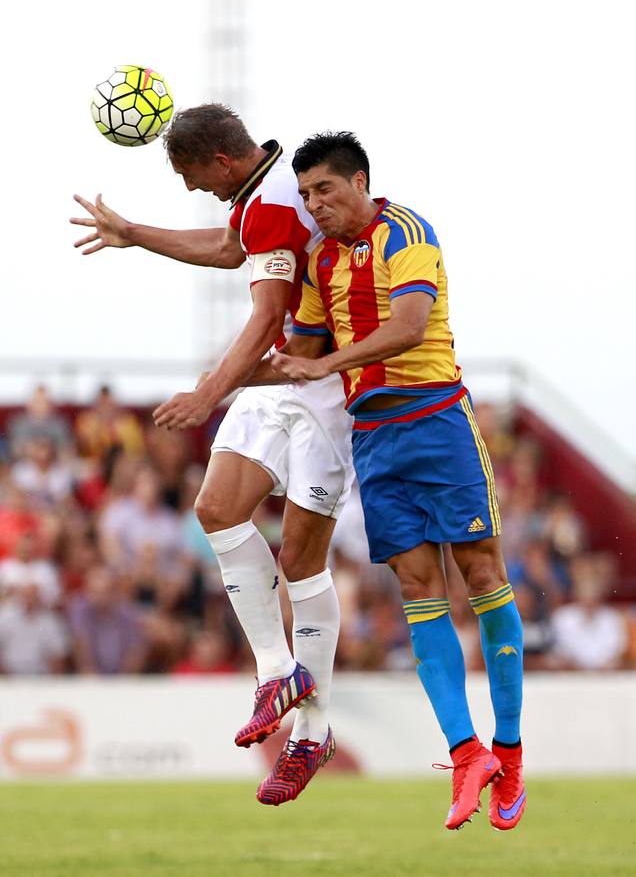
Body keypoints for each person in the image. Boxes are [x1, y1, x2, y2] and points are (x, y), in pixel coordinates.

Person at [70, 104, 354, 804]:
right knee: (217, 507)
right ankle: (275, 674)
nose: (193, 189)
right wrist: (134, 233)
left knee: (301, 559)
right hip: (278, 372)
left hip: (323, 383)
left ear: (220, 161)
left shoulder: (280, 201)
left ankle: (312, 735)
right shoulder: (260, 193)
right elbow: (231, 249)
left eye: (192, 175)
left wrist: (208, 394)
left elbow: (263, 313)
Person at [262, 131, 526, 831]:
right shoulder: (319, 261)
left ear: (360, 182)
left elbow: (409, 326)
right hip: (374, 440)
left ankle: (510, 749)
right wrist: (225, 377)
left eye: (325, 189)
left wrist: (324, 363)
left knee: (481, 572)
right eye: (308, 193)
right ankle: (466, 753)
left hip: (437, 420)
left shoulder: (407, 231)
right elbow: (304, 351)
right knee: (416, 587)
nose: (316, 205)